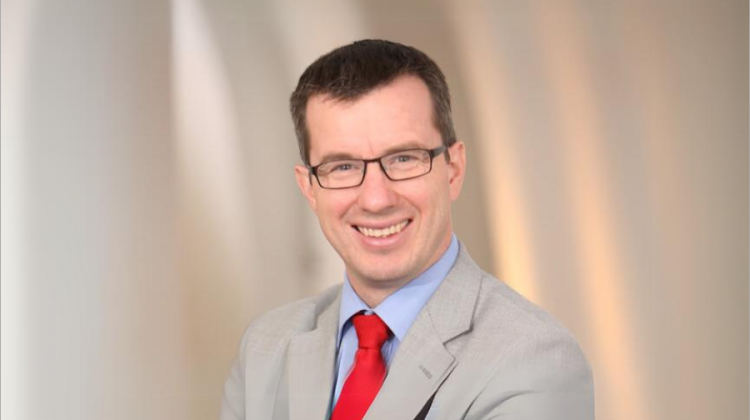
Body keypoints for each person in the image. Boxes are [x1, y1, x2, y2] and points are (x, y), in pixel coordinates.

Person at [220, 39, 594, 420]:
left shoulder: (534, 360)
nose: (376, 199)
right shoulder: (264, 349)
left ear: (453, 170)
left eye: (403, 158)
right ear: (309, 188)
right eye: (343, 167)